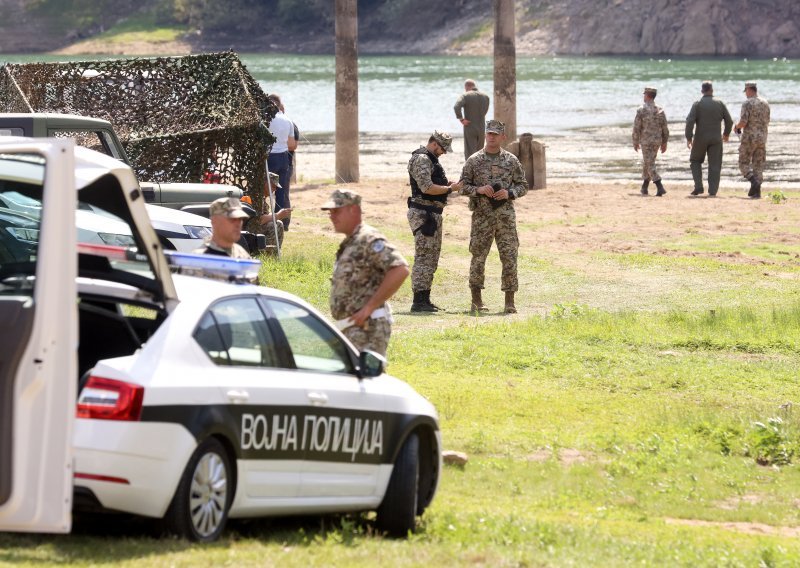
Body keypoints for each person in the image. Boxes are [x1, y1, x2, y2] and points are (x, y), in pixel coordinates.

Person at [322, 189, 409, 357]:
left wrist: (369, 307)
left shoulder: (368, 238)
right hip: (352, 328)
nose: (332, 216)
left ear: (353, 210)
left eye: (336, 211)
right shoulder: (352, 241)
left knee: (365, 380)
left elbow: (400, 269)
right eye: (330, 212)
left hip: (367, 329)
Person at [459, 120, 528, 314]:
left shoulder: (511, 160)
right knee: (478, 257)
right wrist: (478, 189)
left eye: (495, 134)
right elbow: (461, 187)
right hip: (482, 218)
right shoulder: (474, 160)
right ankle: (476, 301)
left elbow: (523, 185)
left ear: (503, 137)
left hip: (505, 218)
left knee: (509, 257)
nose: (491, 137)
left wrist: (509, 193)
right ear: (485, 135)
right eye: (489, 133)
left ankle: (509, 301)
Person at [406, 131, 462, 312]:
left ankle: (425, 299)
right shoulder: (422, 159)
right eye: (443, 148)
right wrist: (449, 189)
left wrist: (447, 185)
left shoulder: (430, 159)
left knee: (431, 257)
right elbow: (427, 188)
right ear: (435, 144)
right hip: (424, 214)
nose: (444, 152)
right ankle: (419, 301)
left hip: (430, 213)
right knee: (424, 257)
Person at [685, 81, 733, 197]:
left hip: (700, 138)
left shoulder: (697, 104)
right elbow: (729, 121)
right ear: (712, 90)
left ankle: (699, 186)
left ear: (702, 91)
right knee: (715, 165)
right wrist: (726, 134)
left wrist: (689, 137)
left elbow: (690, 121)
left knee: (695, 161)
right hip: (716, 139)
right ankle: (712, 191)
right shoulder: (720, 103)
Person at [735, 81, 771, 199]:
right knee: (758, 165)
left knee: (743, 163)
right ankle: (757, 192)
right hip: (762, 138)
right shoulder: (765, 103)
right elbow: (767, 121)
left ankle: (753, 182)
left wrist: (736, 127)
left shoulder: (747, 103)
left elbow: (743, 122)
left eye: (746, 91)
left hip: (749, 138)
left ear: (749, 90)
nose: (746, 94)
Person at [266, 94, 297, 229]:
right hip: (284, 158)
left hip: (269, 157)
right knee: (281, 192)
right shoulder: (287, 120)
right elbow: (291, 144)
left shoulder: (266, 119)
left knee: (264, 189)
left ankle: (268, 220)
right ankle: (283, 223)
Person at [632, 86, 669, 196]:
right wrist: (664, 142)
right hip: (657, 141)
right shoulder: (660, 110)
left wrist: (635, 141)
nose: (643, 96)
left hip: (646, 141)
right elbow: (665, 128)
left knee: (649, 163)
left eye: (644, 94)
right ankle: (644, 187)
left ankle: (659, 185)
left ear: (647, 95)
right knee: (648, 162)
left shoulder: (641, 110)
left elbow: (636, 127)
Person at [454, 79, 491, 160]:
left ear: (466, 87)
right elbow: (486, 110)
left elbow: (456, 106)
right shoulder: (486, 96)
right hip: (481, 126)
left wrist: (461, 119)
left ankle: (470, 169)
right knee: (480, 151)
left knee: (470, 151)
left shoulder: (466, 95)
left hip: (469, 125)